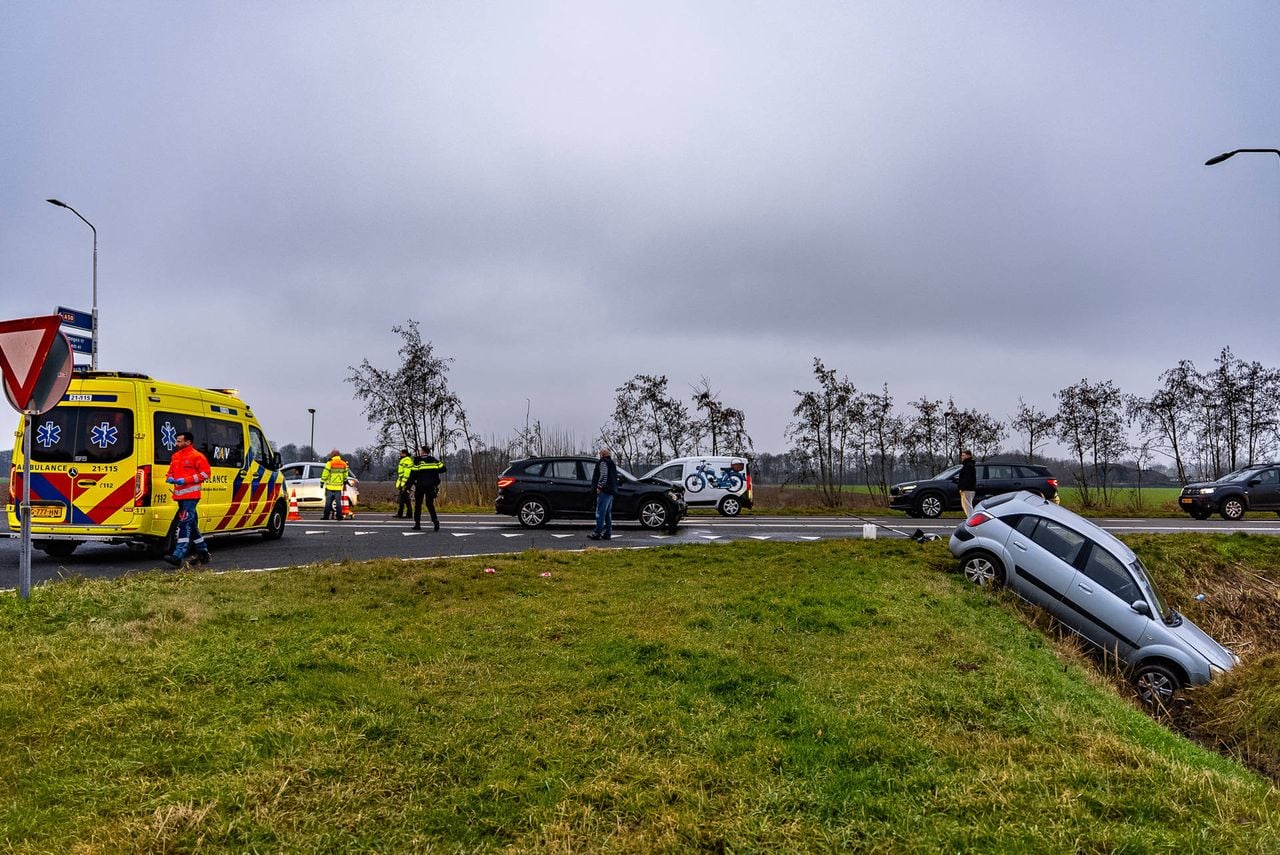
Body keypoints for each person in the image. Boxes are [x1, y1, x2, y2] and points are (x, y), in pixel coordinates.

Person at [163, 431, 211, 568]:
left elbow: (205, 474)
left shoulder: (197, 456)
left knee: (184, 523)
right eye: (176, 441)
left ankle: (178, 555)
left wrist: (186, 480)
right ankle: (203, 552)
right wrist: (169, 478)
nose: (176, 443)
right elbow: (170, 472)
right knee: (192, 525)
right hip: (180, 496)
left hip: (191, 496)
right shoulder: (175, 456)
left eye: (179, 441)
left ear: (188, 442)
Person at [408, 444, 446, 531]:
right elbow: (443, 469)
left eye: (421, 451)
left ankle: (417, 524)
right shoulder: (433, 460)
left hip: (420, 486)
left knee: (418, 505)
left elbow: (412, 475)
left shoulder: (417, 461)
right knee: (430, 505)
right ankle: (435, 522)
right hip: (430, 486)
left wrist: (408, 487)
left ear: (423, 452)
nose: (420, 452)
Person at [588, 447, 618, 541]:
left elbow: (603, 475)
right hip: (612, 491)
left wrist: (599, 487)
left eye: (600, 453)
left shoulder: (603, 462)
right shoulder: (612, 463)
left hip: (605, 490)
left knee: (600, 512)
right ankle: (607, 533)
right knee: (607, 513)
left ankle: (597, 532)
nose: (599, 455)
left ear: (603, 454)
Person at [321, 450, 351, 520]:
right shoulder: (343, 463)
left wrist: (322, 481)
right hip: (338, 486)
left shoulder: (330, 463)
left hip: (330, 485)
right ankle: (339, 516)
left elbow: (325, 473)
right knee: (338, 502)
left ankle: (326, 516)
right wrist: (344, 480)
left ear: (333, 455)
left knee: (328, 502)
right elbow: (345, 474)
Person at [394, 448, 413, 519]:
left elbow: (407, 472)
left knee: (403, 498)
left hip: (405, 482)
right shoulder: (404, 460)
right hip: (405, 481)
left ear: (404, 453)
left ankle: (401, 514)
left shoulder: (406, 460)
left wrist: (403, 482)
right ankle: (406, 514)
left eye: (401, 453)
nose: (400, 454)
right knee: (405, 498)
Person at [958, 449, 977, 516]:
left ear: (968, 456)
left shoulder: (968, 466)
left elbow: (967, 479)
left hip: (967, 489)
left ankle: (971, 520)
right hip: (969, 489)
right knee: (967, 505)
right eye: (962, 455)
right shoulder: (969, 465)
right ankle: (971, 519)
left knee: (967, 506)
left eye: (963, 455)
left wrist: (962, 487)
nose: (962, 457)